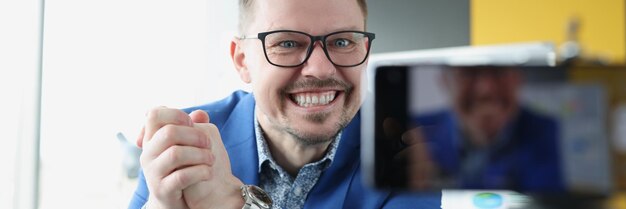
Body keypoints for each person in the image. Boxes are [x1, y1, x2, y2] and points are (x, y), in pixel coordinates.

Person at [128, 0, 441, 208]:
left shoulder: (409, 152)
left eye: (343, 41)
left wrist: (235, 204)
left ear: (366, 50)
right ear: (242, 60)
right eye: (287, 43)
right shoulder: (182, 144)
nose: (320, 69)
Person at [412, 66, 564, 192]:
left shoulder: (544, 131)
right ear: (445, 81)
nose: (486, 90)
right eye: (468, 72)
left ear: (519, 78)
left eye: (500, 71)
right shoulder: (414, 132)